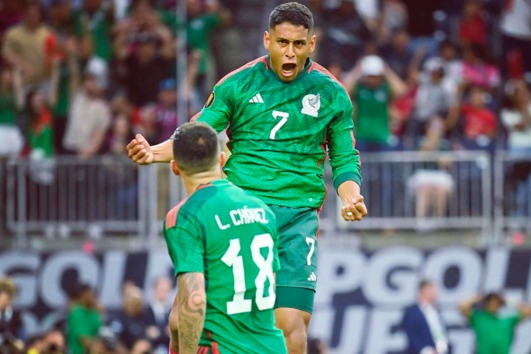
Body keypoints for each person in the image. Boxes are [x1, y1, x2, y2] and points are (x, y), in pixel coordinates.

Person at [126, 3, 367, 353]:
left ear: (311, 44)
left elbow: (344, 158)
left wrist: (350, 195)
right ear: (266, 39)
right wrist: (155, 152)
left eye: (298, 45)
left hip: (297, 216)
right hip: (243, 211)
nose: (289, 52)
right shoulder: (238, 84)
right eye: (282, 42)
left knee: (290, 326)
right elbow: (200, 133)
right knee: (194, 316)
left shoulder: (332, 93)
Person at [164, 122, 286, 353]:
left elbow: (193, 300)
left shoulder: (186, 216)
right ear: (221, 160)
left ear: (175, 167)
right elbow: (269, 288)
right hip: (272, 347)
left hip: (220, 347)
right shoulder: (263, 211)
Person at [459, 292, 531, 354]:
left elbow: (528, 311)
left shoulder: (507, 320)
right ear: (486, 303)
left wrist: (509, 301)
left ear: (500, 304)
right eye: (491, 301)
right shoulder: (479, 318)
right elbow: (462, 306)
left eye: (496, 302)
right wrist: (478, 298)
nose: (493, 304)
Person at [402, 280, 449, 354]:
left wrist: (441, 348)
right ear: (422, 292)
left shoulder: (436, 311)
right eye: (431, 290)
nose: (434, 293)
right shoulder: (411, 312)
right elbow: (412, 335)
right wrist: (427, 351)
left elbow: (439, 332)